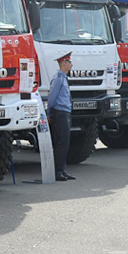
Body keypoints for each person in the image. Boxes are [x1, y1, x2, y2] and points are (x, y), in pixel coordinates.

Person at [47, 51, 75, 182]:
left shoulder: (64, 77)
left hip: (66, 112)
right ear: (63, 63)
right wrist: (49, 113)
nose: (71, 65)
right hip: (60, 113)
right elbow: (52, 97)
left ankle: (63, 170)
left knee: (65, 143)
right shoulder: (58, 78)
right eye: (69, 62)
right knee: (61, 143)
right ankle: (58, 171)